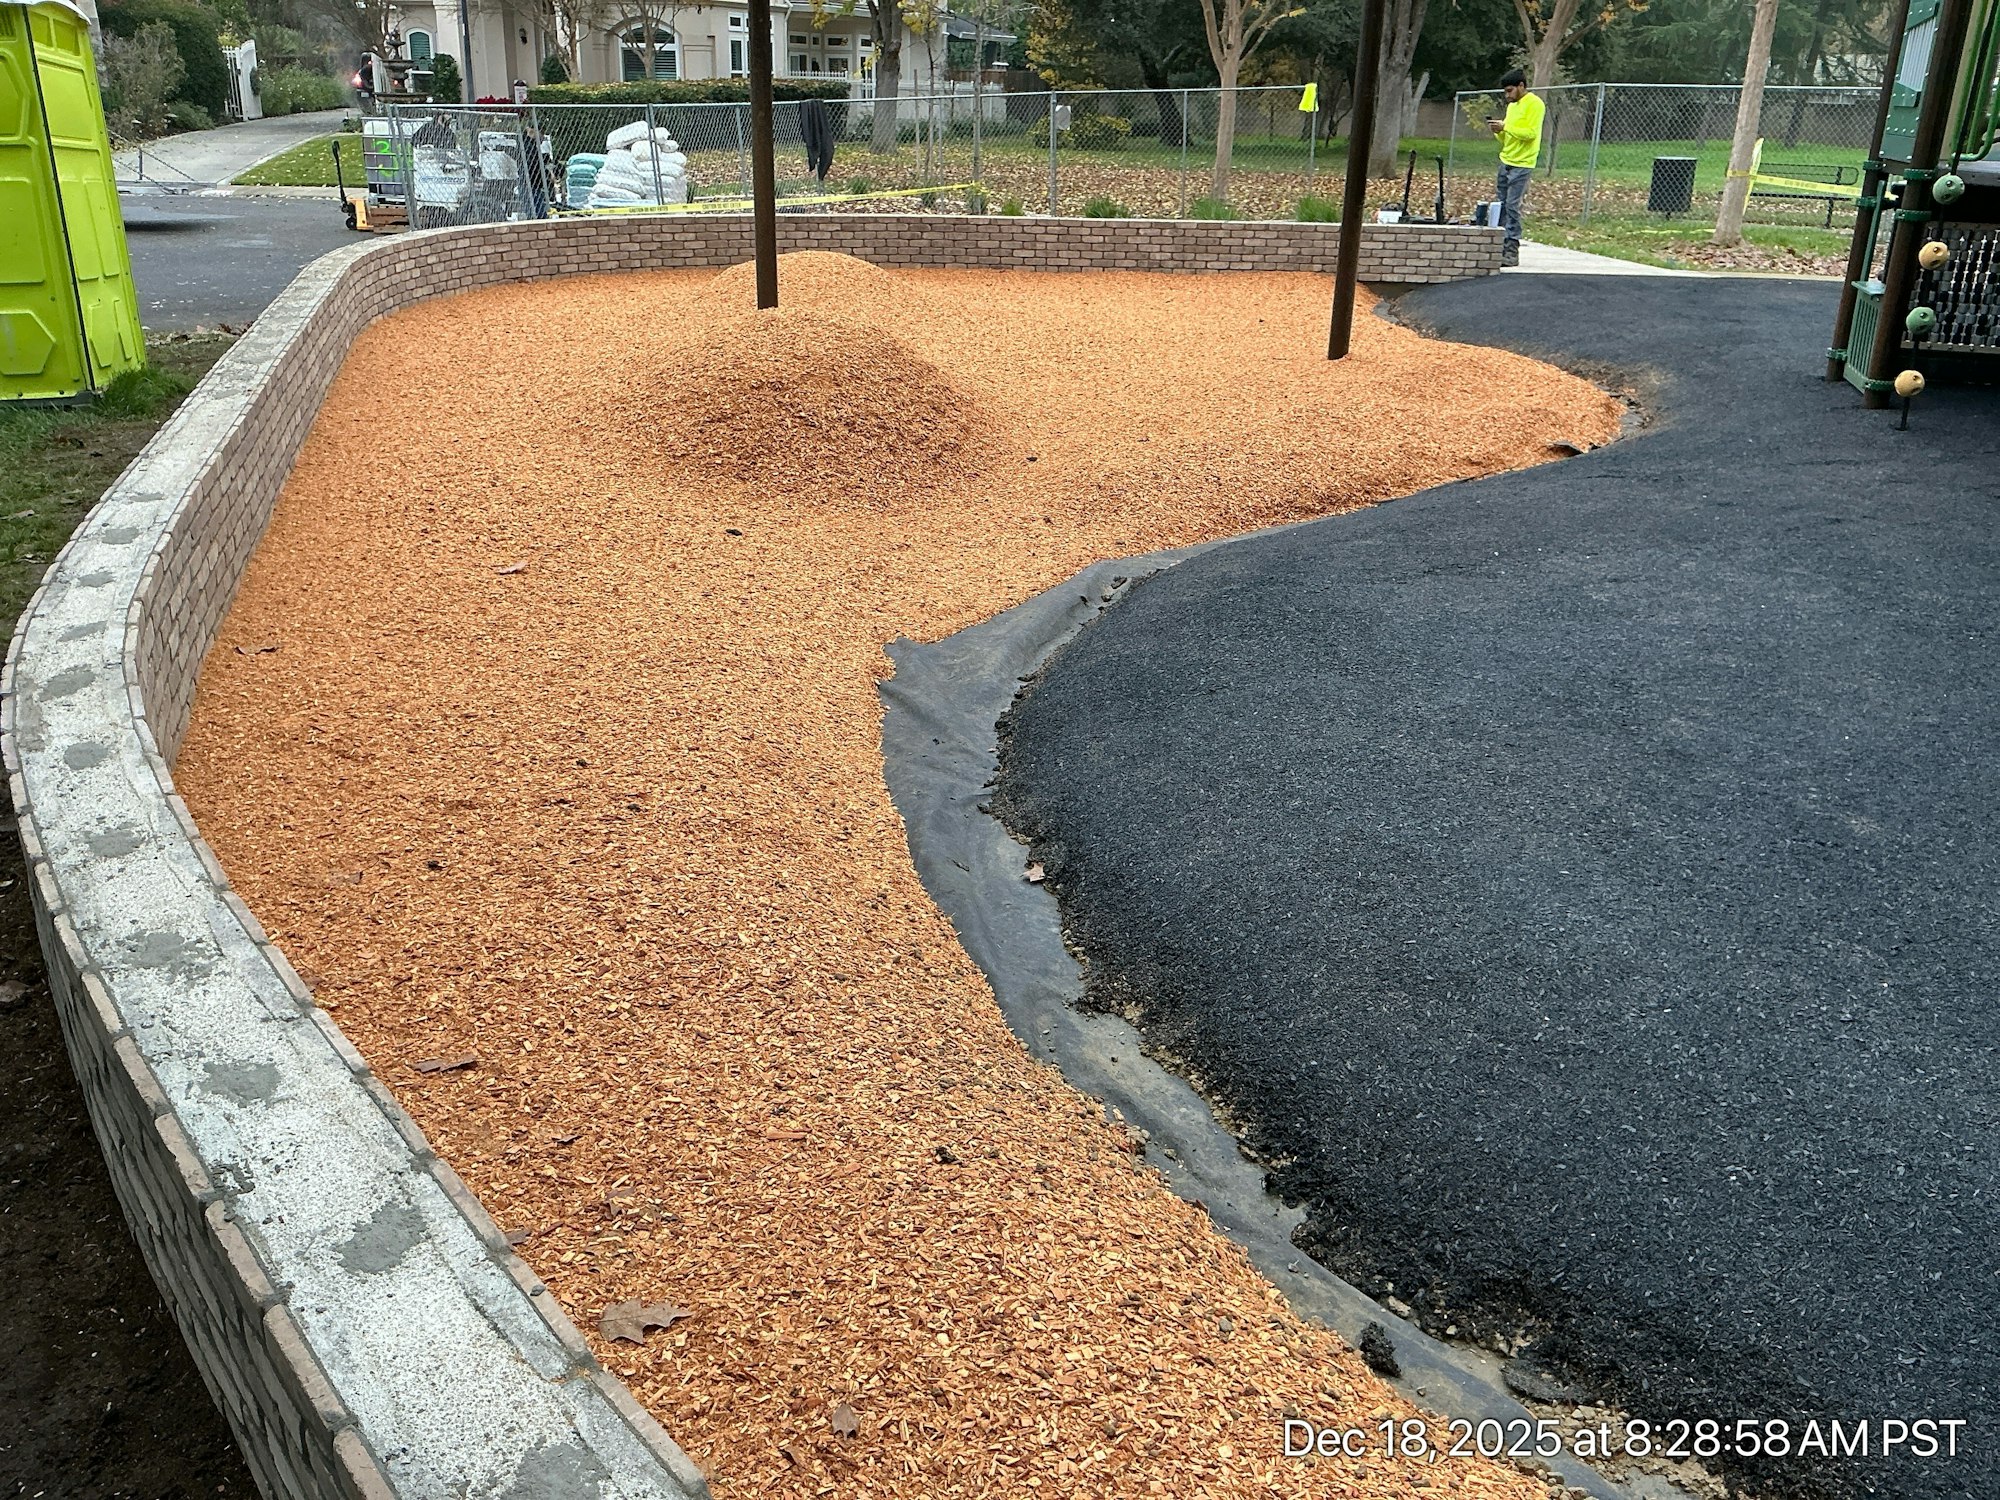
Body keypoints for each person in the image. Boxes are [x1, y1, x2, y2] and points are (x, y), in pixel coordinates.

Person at [1488, 67, 1544, 267]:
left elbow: (1530, 134)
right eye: (1505, 91)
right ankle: (1499, 244)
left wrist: (1506, 127)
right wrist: (1498, 131)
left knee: (1512, 205)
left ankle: (1512, 248)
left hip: (1523, 163)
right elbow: (1507, 137)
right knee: (1501, 204)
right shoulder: (1512, 107)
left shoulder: (1535, 104)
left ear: (1521, 86)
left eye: (1510, 90)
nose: (1507, 95)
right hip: (1506, 160)